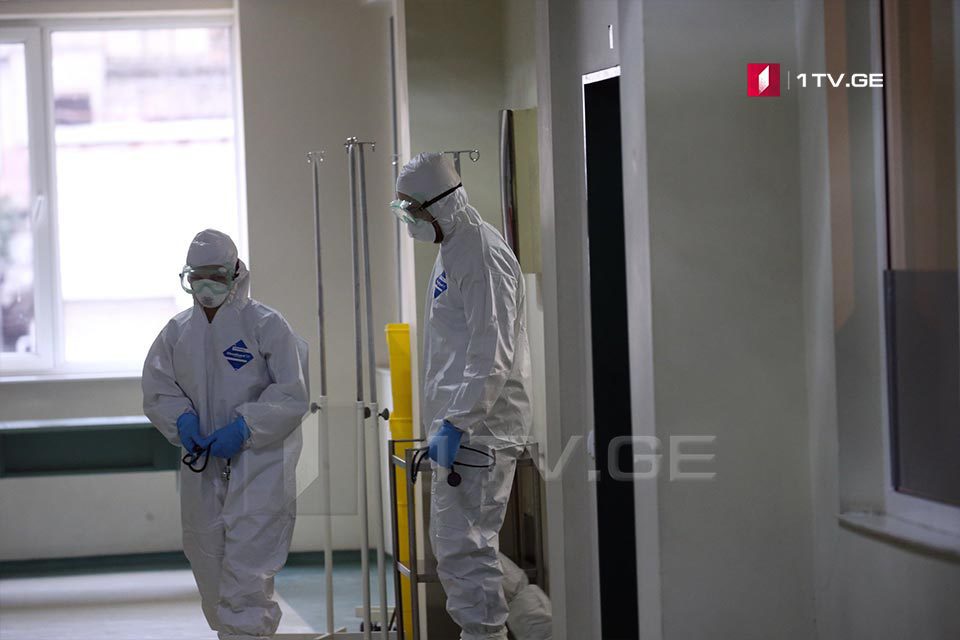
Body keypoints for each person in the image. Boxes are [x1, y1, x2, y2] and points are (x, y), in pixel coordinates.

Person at [142, 229, 309, 640]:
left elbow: (292, 393)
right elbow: (159, 388)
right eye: (196, 277)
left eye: (215, 275)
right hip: (203, 466)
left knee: (249, 569)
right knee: (208, 560)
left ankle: (246, 634)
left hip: (260, 464)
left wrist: (246, 427)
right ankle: (230, 633)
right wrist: (182, 420)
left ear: (236, 272)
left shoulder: (266, 325)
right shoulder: (177, 332)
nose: (205, 286)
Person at [393, 152, 532, 640]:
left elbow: (492, 351)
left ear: (439, 203)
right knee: (464, 546)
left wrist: (458, 421)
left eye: (412, 209)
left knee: (463, 550)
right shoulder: (455, 247)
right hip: (465, 427)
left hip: (480, 429)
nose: (408, 220)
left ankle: (492, 632)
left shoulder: (480, 253)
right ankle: (535, 620)